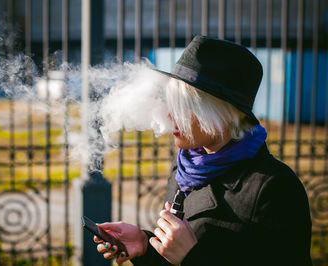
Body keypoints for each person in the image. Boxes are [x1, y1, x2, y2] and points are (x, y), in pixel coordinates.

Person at [94, 36, 312, 266]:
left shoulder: (274, 187)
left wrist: (192, 258)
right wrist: (145, 245)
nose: (169, 116)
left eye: (183, 107)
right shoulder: (186, 166)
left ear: (219, 112)